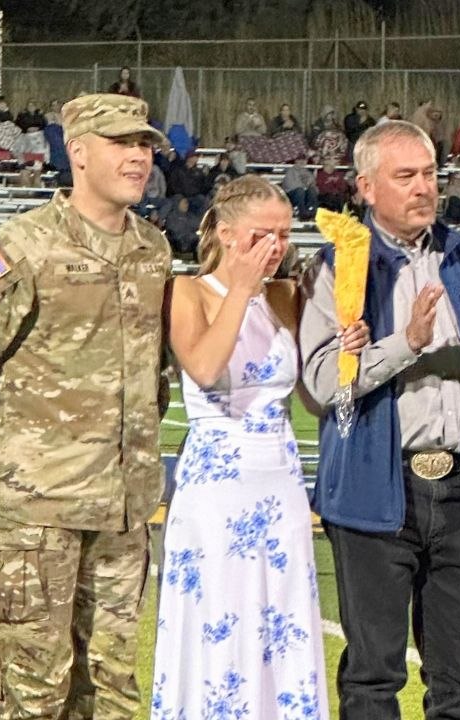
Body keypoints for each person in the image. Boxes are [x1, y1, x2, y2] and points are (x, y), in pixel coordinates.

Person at [0, 93, 171, 720]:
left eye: (144, 145)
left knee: (112, 694)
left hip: (122, 513)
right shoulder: (21, 248)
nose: (138, 156)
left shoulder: (152, 250)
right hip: (36, 510)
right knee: (34, 697)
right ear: (77, 152)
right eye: (122, 144)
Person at [300, 120, 460, 720]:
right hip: (374, 492)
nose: (422, 188)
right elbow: (322, 383)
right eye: (404, 176)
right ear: (365, 187)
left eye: (430, 174)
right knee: (373, 676)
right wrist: (404, 343)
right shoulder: (336, 267)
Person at [153, 173, 347, 720]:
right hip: (215, 487)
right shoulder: (186, 291)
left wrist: (344, 350)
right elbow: (207, 367)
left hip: (279, 481)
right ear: (225, 232)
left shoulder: (287, 295)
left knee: (279, 617)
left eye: (284, 235)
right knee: (217, 613)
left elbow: (313, 399)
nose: (277, 247)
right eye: (263, 234)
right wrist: (239, 288)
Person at [281, 156, 319, 220]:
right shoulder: (290, 171)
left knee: (312, 191)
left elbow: (313, 184)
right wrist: (304, 186)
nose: (302, 161)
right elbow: (290, 186)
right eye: (299, 159)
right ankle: (301, 212)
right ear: (296, 161)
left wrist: (310, 186)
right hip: (292, 194)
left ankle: (311, 212)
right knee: (300, 191)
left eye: (304, 160)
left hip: (304, 193)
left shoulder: (308, 172)